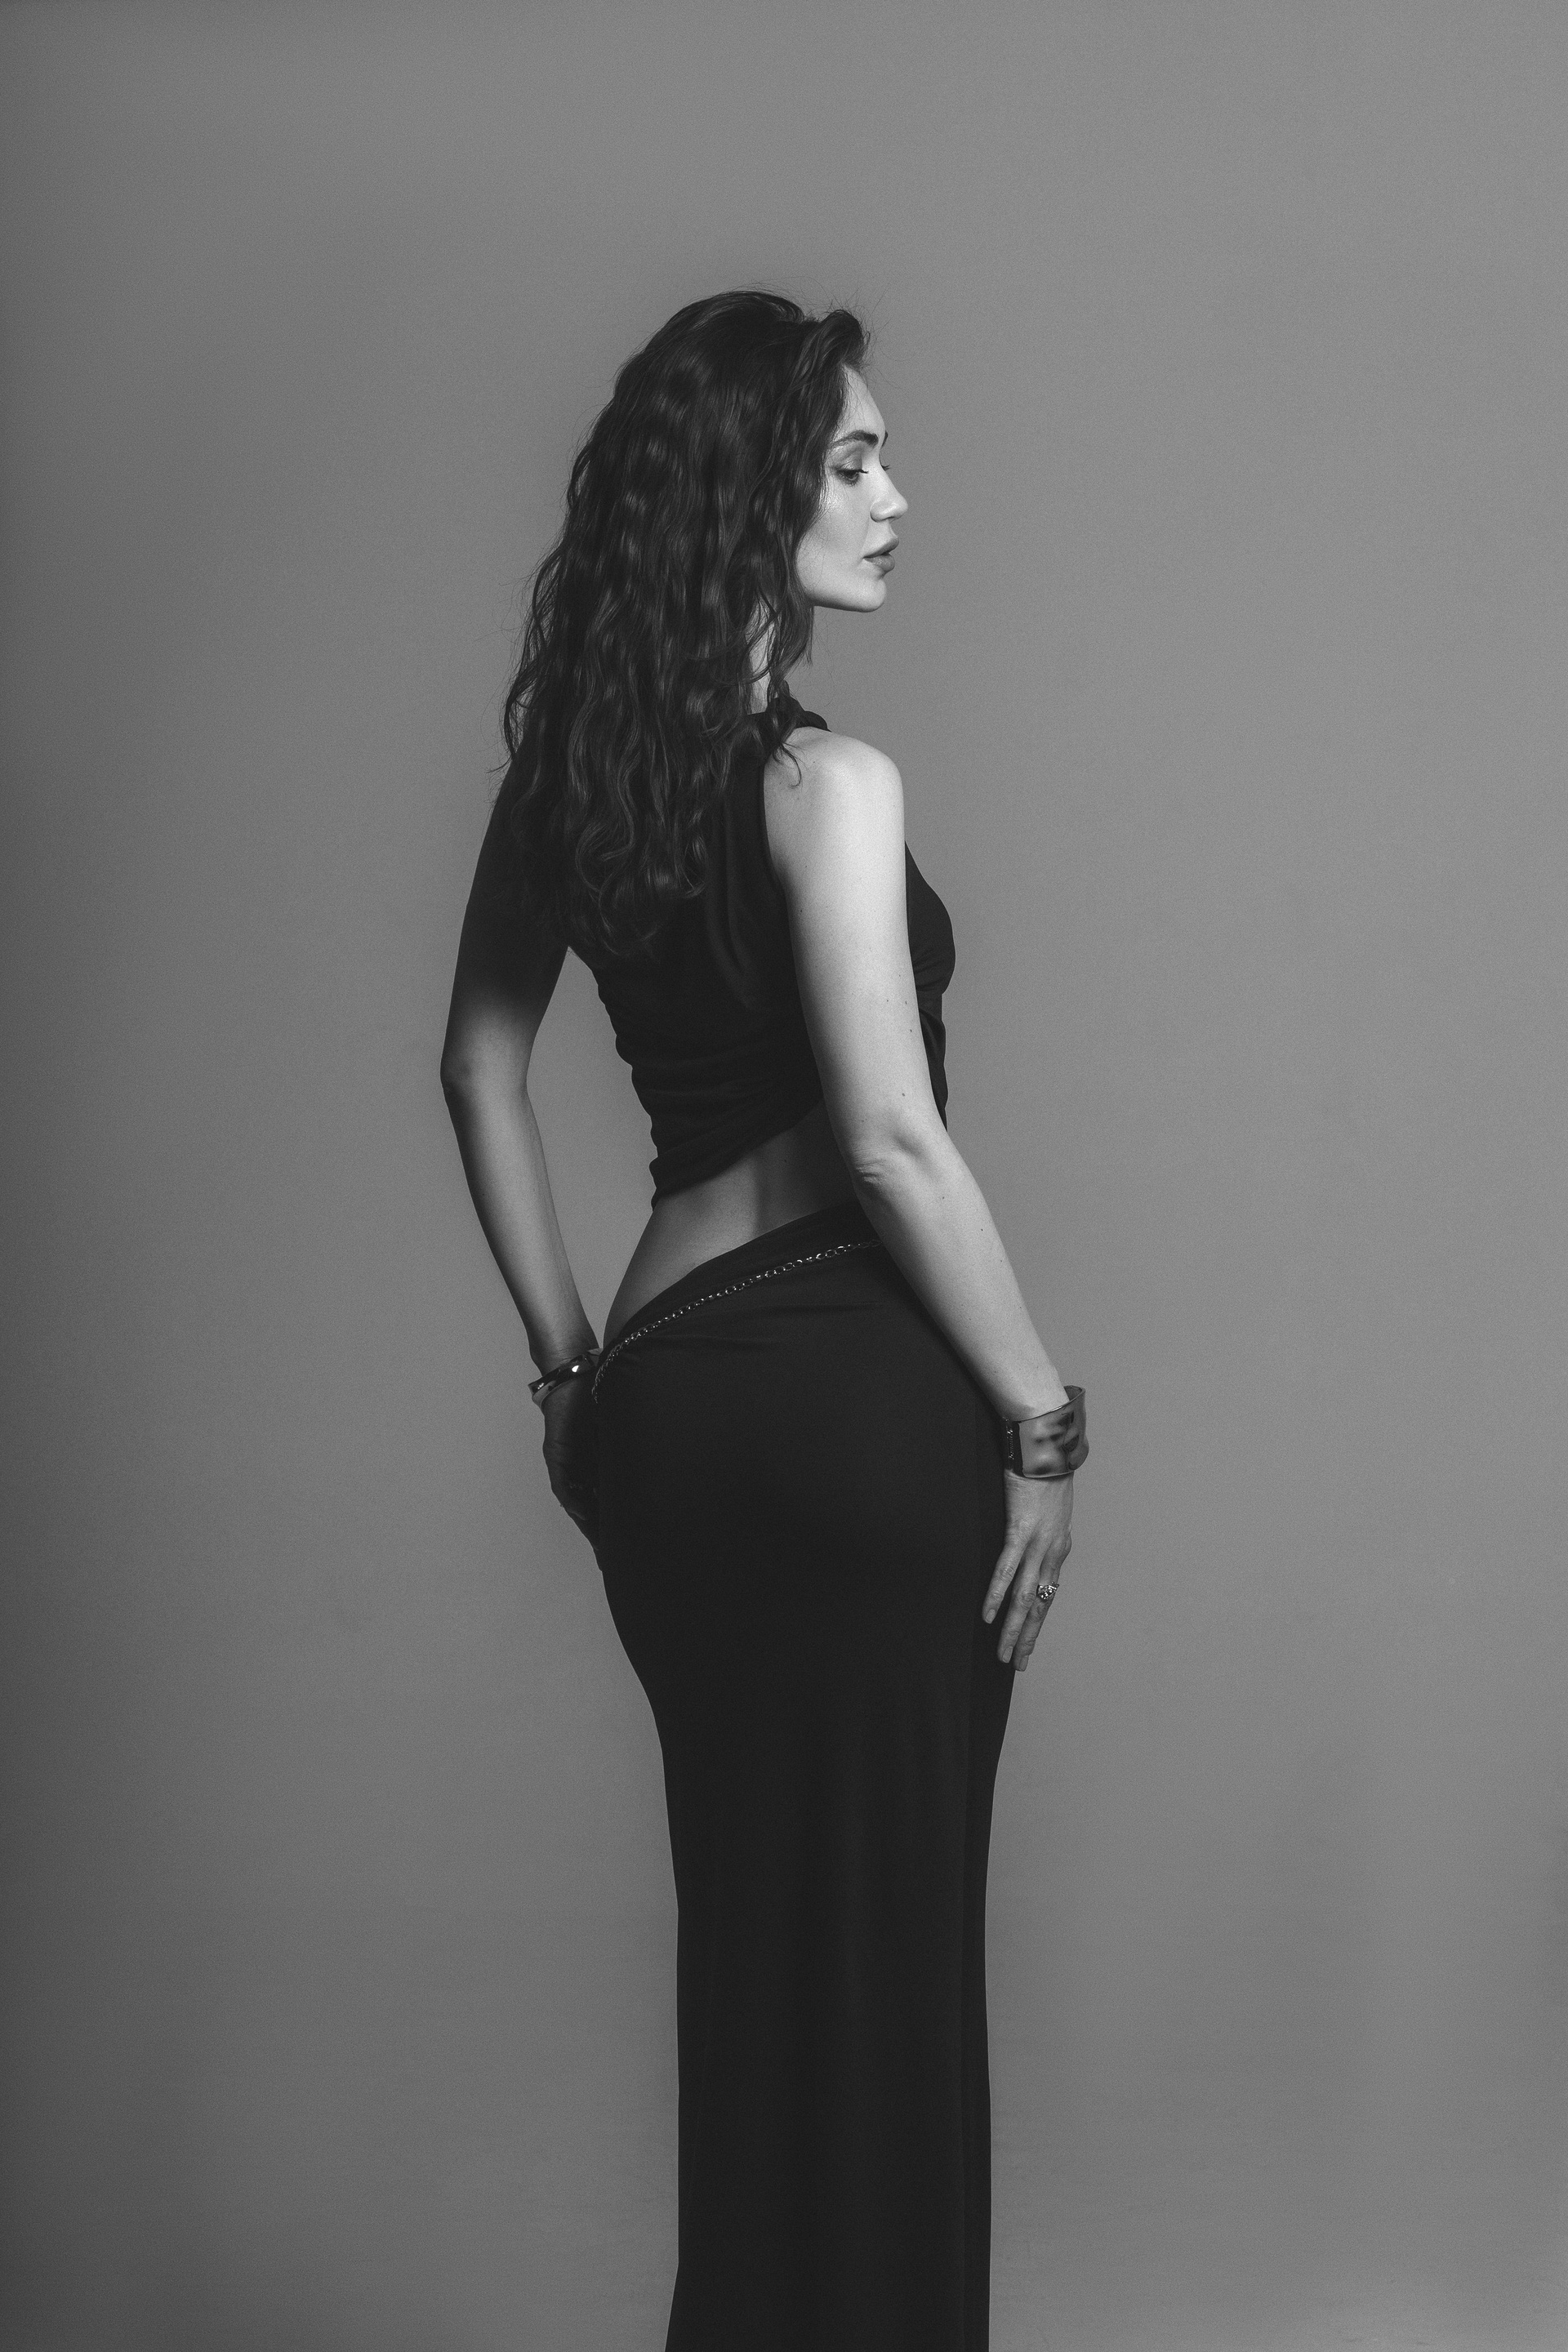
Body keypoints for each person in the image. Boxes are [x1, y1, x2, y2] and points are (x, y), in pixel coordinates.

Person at [440, 289, 1086, 2352]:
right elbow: (891, 1144)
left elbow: (477, 1063)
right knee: (883, 1979)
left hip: (665, 1411)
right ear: (749, 496)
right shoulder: (832, 784)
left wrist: (570, 1372)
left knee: (754, 1966)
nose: (896, 497)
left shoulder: (575, 780)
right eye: (853, 462)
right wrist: (1046, 1420)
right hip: (851, 1414)